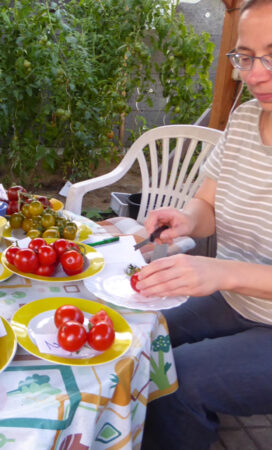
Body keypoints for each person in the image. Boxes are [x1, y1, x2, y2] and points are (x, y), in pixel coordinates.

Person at [139, 0, 272, 448]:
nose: (255, 74)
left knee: (176, 380)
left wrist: (222, 272)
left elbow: (224, 272)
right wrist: (185, 220)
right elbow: (207, 204)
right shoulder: (246, 117)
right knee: (141, 334)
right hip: (238, 301)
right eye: (246, 57)